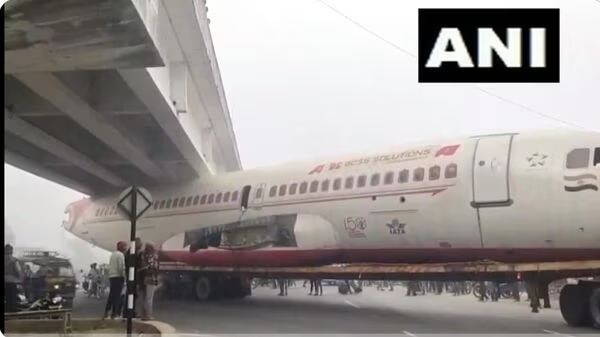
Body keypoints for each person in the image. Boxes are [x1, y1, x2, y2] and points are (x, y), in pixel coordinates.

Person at [104, 241, 127, 319]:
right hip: (118, 277)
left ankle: (106, 312)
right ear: (121, 247)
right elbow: (121, 267)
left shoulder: (113, 254)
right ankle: (115, 314)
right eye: (125, 246)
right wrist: (124, 277)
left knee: (112, 295)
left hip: (112, 277)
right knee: (118, 296)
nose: (126, 248)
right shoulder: (121, 255)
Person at [137, 243, 159, 320]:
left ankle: (143, 314)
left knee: (143, 297)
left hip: (142, 278)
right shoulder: (153, 256)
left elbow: (141, 267)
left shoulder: (142, 255)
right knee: (149, 298)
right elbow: (155, 268)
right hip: (151, 279)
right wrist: (157, 279)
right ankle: (148, 315)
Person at [5, 244, 23, 312]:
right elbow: (18, 271)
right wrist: (20, 280)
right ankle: (10, 310)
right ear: (11, 250)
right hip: (11, 281)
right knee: (11, 297)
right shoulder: (14, 260)